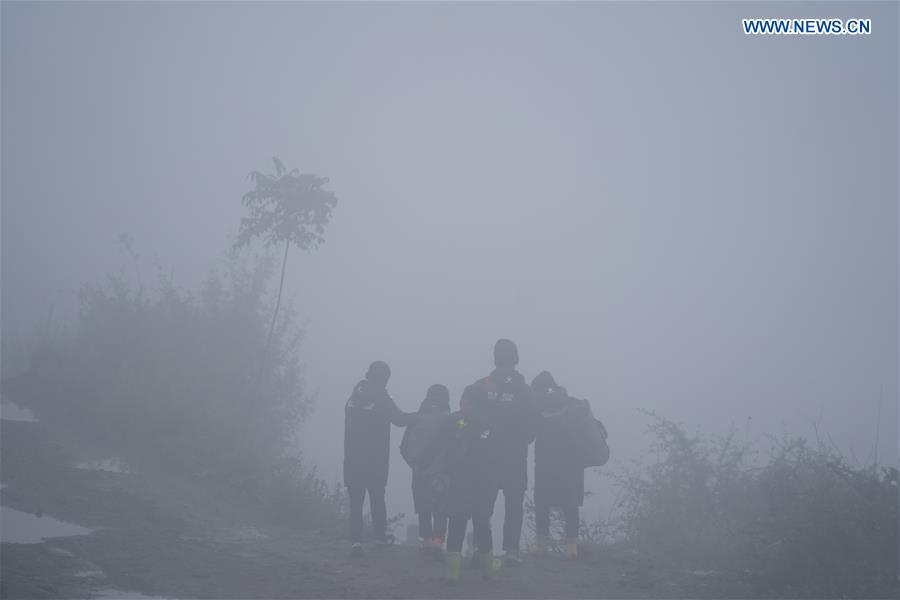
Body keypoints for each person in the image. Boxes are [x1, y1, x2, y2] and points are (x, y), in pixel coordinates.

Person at [418, 383, 502, 583]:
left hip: (457, 482)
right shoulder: (489, 424)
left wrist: (422, 465)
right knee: (482, 525)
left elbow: (434, 444)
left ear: (468, 402)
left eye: (463, 400)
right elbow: (497, 454)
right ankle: (488, 569)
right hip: (483, 484)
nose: (461, 403)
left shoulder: (453, 420)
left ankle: (453, 573)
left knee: (456, 524)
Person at [463, 338, 537, 565]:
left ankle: (480, 550)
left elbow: (464, 416)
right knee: (514, 505)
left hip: (484, 457)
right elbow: (532, 429)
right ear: (515, 359)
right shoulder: (524, 390)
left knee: (483, 505)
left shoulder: (480, 386)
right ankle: (512, 552)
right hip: (514, 458)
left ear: (495, 358)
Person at [343, 360, 415, 556]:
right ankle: (380, 538)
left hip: (352, 458)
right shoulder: (381, 397)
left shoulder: (352, 398)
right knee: (377, 497)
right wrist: (422, 416)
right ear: (385, 379)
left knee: (356, 501)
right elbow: (400, 420)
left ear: (368, 373)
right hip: (375, 460)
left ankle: (356, 541)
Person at [531, 370, 588, 560]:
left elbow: (530, 434)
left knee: (542, 502)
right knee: (570, 503)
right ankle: (571, 547)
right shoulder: (570, 403)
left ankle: (541, 545)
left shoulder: (538, 407)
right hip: (571, 463)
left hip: (546, 462)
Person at [399, 384, 451, 555]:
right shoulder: (451, 420)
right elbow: (458, 448)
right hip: (442, 473)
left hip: (419, 470)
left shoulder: (417, 419)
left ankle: (427, 541)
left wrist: (415, 464)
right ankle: (438, 542)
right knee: (441, 508)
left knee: (423, 507)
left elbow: (403, 448)